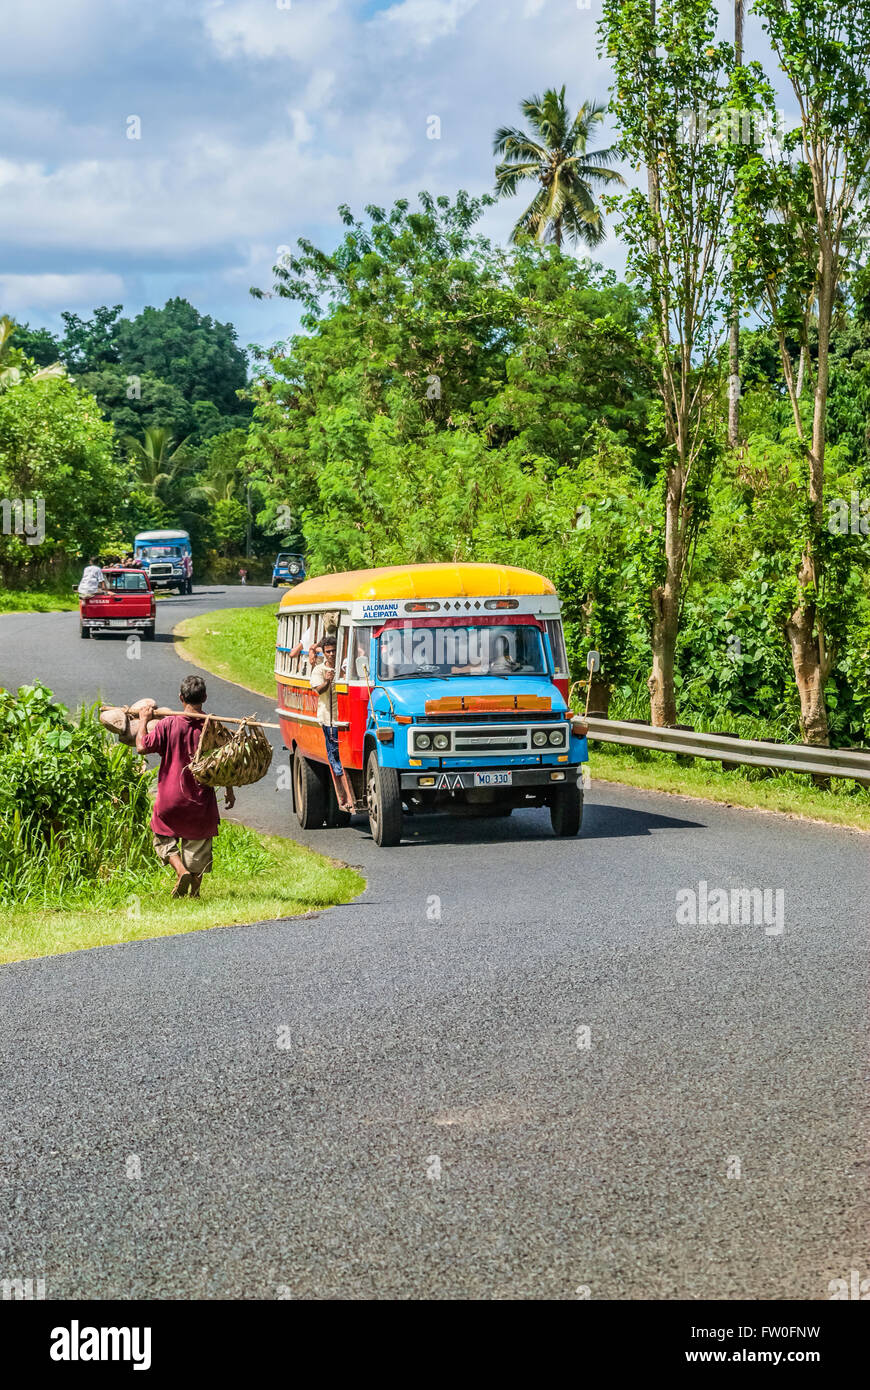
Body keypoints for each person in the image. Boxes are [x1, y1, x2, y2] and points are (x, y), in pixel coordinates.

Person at [135, 675, 236, 899]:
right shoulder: (213, 726)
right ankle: (195, 893)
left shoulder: (168, 724)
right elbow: (225, 762)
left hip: (170, 798)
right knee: (198, 846)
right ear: (205, 698)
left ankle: (180, 871)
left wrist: (143, 720)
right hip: (200, 799)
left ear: (181, 698)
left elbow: (142, 746)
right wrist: (229, 789)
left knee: (162, 836)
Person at [310, 635, 355, 813]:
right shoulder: (319, 670)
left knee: (346, 754)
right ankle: (343, 794)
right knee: (334, 754)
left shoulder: (345, 666)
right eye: (328, 651)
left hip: (344, 719)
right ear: (323, 652)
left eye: (334, 650)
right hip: (329, 719)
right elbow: (318, 691)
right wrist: (328, 680)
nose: (331, 654)